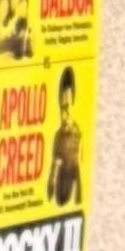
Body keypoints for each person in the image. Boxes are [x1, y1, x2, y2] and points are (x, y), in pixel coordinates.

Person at [47, 67, 83, 208]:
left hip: (70, 191)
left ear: (74, 105)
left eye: (67, 108)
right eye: (62, 109)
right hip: (59, 194)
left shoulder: (78, 135)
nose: (64, 114)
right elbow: (53, 164)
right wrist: (52, 179)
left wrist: (79, 194)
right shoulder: (58, 136)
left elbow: (79, 165)